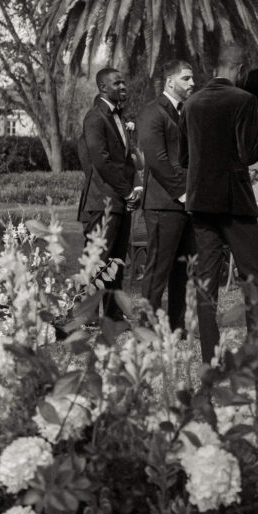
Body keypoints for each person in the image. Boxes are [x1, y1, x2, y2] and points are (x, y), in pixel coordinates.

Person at [180, 43, 258, 362]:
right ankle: (256, 352)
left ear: (215, 68)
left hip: (201, 202)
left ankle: (210, 356)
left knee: (206, 282)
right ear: (240, 69)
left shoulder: (190, 103)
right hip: (235, 203)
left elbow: (184, 158)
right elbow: (247, 153)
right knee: (252, 278)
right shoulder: (244, 99)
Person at [78, 67, 141, 319]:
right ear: (103, 87)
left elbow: (126, 160)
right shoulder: (95, 117)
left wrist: (134, 190)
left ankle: (113, 315)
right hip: (102, 200)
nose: (123, 87)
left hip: (120, 200)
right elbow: (100, 161)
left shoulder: (120, 117)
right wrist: (127, 192)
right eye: (117, 83)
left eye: (124, 82)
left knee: (116, 260)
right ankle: (87, 316)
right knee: (96, 260)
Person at [137, 60, 196, 330]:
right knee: (158, 268)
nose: (192, 83)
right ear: (170, 81)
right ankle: (147, 325)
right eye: (186, 78)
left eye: (192, 78)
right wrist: (182, 193)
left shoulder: (187, 112)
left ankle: (176, 325)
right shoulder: (152, 112)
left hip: (186, 202)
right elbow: (157, 160)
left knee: (182, 268)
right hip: (163, 203)